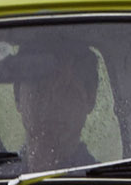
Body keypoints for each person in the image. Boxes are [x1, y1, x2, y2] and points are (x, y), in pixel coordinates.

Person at [10, 40, 104, 169]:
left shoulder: (110, 184)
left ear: (90, 98)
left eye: (65, 90)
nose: (50, 103)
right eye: (40, 89)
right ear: (17, 96)